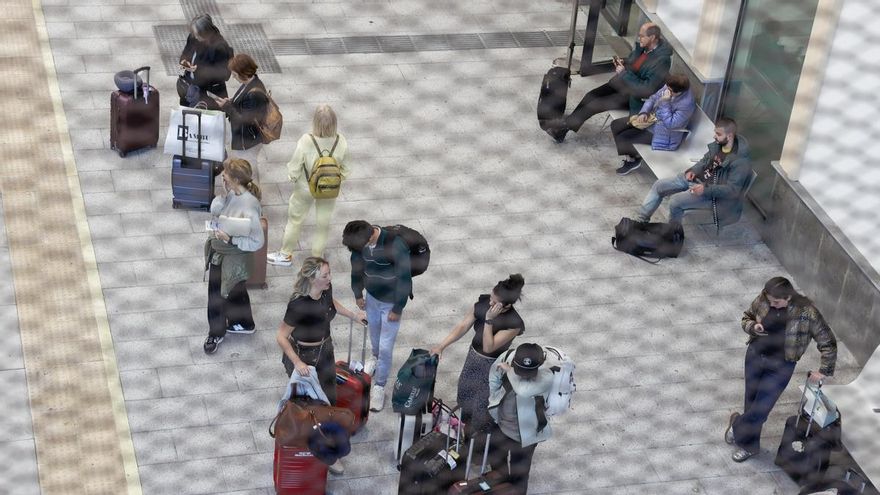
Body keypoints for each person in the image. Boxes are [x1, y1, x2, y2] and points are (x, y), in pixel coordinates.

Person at [725, 277, 837, 462]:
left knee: (761, 410)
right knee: (751, 403)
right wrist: (753, 327)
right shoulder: (764, 298)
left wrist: (824, 370)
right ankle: (750, 446)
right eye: (770, 302)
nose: (772, 305)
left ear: (788, 297)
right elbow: (747, 317)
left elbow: (828, 341)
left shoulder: (807, 313)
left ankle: (737, 424)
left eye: (776, 302)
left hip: (780, 366)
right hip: (755, 357)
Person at [275, 256, 365, 475]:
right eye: (324, 276)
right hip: (304, 356)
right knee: (309, 405)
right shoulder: (299, 304)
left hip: (325, 351)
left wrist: (354, 315)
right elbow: (281, 336)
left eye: (329, 273)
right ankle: (318, 447)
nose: (329, 278)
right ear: (312, 278)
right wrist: (297, 362)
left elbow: (331, 303)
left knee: (329, 399)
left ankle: (325, 443)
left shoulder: (326, 290)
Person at [429, 275, 525, 437]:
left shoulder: (513, 323)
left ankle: (479, 443)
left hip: (492, 365)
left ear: (506, 306)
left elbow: (489, 347)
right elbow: (463, 325)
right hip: (473, 357)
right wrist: (442, 346)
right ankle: (465, 432)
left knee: (482, 406)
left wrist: (489, 320)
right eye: (491, 299)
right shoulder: (483, 302)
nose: (490, 304)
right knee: (464, 395)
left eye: (494, 303)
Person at [547, 22, 672, 143]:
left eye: (642, 36)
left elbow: (646, 88)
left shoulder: (662, 61)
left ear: (652, 37)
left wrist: (624, 73)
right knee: (591, 95)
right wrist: (623, 62)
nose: (639, 39)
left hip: (634, 96)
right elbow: (633, 63)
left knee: (596, 104)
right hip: (623, 83)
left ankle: (562, 129)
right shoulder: (644, 48)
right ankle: (564, 127)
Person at [342, 220, 412, 412]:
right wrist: (358, 293)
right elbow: (356, 269)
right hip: (371, 298)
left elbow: (405, 278)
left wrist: (398, 308)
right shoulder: (359, 244)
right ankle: (374, 358)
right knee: (374, 335)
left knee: (386, 346)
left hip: (391, 303)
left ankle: (380, 385)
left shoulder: (395, 246)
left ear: (371, 236)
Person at [267, 105, 350, 267]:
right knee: (322, 224)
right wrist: (334, 180)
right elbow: (346, 169)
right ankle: (317, 258)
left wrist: (293, 177)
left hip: (305, 188)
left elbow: (295, 166)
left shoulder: (306, 141)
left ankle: (285, 254)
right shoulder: (341, 141)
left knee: (295, 220)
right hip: (329, 191)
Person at [633, 117, 752, 229]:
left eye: (718, 134)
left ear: (730, 136)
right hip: (696, 180)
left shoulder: (740, 162)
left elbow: (732, 190)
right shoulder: (719, 145)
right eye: (715, 132)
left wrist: (705, 190)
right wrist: (693, 170)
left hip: (712, 195)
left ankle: (673, 234)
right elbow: (704, 160)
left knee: (675, 202)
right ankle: (640, 220)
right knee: (659, 185)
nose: (714, 136)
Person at [203, 159, 264, 354]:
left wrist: (230, 240)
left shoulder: (249, 206)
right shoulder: (232, 193)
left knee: (217, 294)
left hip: (231, 258)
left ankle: (216, 332)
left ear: (236, 179)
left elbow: (257, 241)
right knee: (236, 291)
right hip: (227, 257)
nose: (223, 176)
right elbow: (215, 210)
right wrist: (223, 194)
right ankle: (244, 322)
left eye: (226, 174)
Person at [485, 343, 554, 493]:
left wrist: (510, 370)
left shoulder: (547, 374)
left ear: (540, 364)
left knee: (520, 474)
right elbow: (493, 375)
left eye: (528, 373)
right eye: (520, 370)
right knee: (497, 464)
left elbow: (523, 390)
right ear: (515, 359)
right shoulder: (506, 357)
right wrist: (494, 397)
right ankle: (500, 487)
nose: (523, 375)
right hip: (501, 425)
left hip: (527, 434)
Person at [611, 73, 696, 176]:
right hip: (651, 120)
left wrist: (665, 102)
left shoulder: (687, 104)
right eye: (667, 87)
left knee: (624, 137)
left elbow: (671, 124)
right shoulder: (671, 86)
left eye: (670, 91)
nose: (667, 90)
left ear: (678, 92)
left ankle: (633, 160)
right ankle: (632, 156)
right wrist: (644, 112)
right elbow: (653, 98)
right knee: (616, 125)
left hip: (664, 134)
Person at [212, 53, 269, 183]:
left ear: (243, 73)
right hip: (246, 137)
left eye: (235, 74)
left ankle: (254, 195)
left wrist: (227, 106)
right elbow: (243, 103)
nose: (233, 77)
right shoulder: (250, 82)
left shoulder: (255, 94)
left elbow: (244, 120)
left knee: (249, 170)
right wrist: (231, 101)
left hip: (249, 141)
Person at [177, 13, 234, 110]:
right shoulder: (193, 38)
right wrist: (184, 61)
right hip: (191, 88)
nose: (195, 36)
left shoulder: (219, 47)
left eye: (197, 34)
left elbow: (225, 74)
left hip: (208, 93)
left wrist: (199, 70)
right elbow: (186, 53)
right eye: (194, 33)